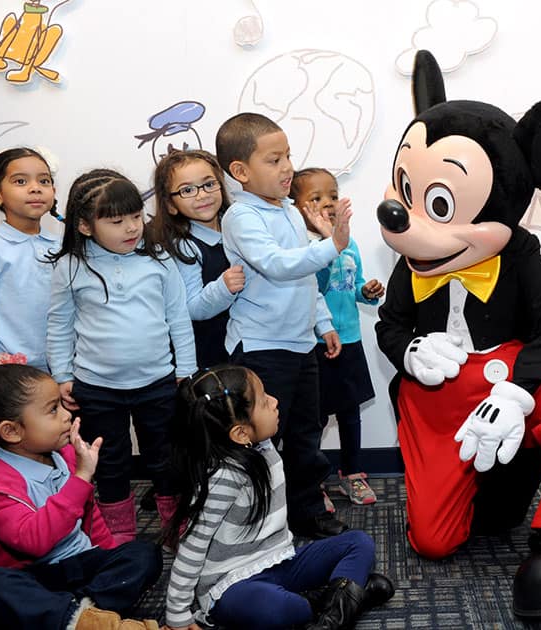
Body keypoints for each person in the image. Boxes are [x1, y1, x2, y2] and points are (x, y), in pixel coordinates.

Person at [163, 365, 393, 630]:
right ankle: (341, 598)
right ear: (240, 433)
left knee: (359, 542)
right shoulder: (222, 478)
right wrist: (178, 614)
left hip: (281, 560)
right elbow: (192, 547)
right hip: (234, 584)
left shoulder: (262, 444)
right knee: (281, 611)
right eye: (263, 401)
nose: (274, 401)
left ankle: (331, 609)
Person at [215, 113, 352, 539]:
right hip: (260, 348)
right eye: (274, 159)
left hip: (298, 345)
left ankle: (306, 511)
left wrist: (323, 323)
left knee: (305, 433)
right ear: (240, 171)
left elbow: (305, 280)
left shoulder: (290, 212)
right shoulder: (241, 217)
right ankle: (261, 521)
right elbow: (277, 265)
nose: (287, 167)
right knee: (260, 439)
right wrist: (332, 245)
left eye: (288, 156)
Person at [0, 358, 162, 629]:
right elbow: (34, 541)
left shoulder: (62, 454)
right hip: (33, 575)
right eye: (52, 410)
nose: (66, 416)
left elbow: (90, 516)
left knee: (144, 554)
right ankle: (80, 616)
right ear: (11, 431)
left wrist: (108, 555)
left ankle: (75, 616)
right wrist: (81, 478)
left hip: (79, 565)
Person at [47, 169, 197, 543]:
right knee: (109, 462)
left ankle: (174, 525)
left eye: (136, 216)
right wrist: (63, 375)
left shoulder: (158, 258)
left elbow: (177, 316)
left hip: (158, 382)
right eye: (117, 221)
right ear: (84, 226)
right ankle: (119, 533)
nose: (131, 228)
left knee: (165, 458)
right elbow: (60, 325)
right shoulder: (70, 266)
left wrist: (187, 369)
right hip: (97, 387)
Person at [291, 167, 385, 505]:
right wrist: (326, 243)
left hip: (350, 339)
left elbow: (353, 287)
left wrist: (368, 291)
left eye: (332, 195)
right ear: (295, 206)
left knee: (349, 411)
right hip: (315, 343)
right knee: (312, 417)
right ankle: (311, 480)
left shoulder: (350, 243)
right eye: (315, 198)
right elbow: (310, 289)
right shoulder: (303, 247)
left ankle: (353, 474)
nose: (327, 203)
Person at [0, 147, 63, 372]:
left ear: (53, 190)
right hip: (6, 371)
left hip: (57, 367)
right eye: (21, 182)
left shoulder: (60, 246)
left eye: (44, 181)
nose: (35, 188)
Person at [146, 149, 244, 370]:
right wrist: (223, 288)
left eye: (209, 184)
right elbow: (191, 307)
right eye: (187, 190)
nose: (202, 194)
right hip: (210, 357)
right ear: (170, 204)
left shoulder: (239, 227)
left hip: (247, 347)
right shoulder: (184, 245)